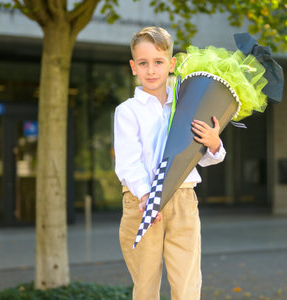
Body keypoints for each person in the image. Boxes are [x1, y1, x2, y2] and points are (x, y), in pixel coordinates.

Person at [113, 26, 226, 300]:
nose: (151, 70)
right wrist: (146, 195)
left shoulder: (187, 105)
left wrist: (214, 142)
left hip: (184, 198)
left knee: (187, 284)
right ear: (133, 67)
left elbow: (207, 157)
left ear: (171, 64)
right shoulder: (127, 111)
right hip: (142, 203)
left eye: (158, 62)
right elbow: (128, 163)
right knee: (146, 285)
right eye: (143, 63)